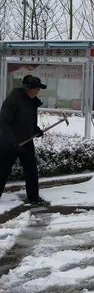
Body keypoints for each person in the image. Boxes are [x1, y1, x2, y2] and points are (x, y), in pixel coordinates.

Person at [0, 75, 47, 205]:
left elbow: (29, 121)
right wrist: (11, 142)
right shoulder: (13, 101)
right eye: (35, 89)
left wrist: (35, 130)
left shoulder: (31, 101)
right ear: (27, 89)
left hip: (26, 142)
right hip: (9, 144)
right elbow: (4, 123)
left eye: (38, 89)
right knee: (3, 171)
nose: (37, 92)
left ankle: (33, 197)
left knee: (31, 170)